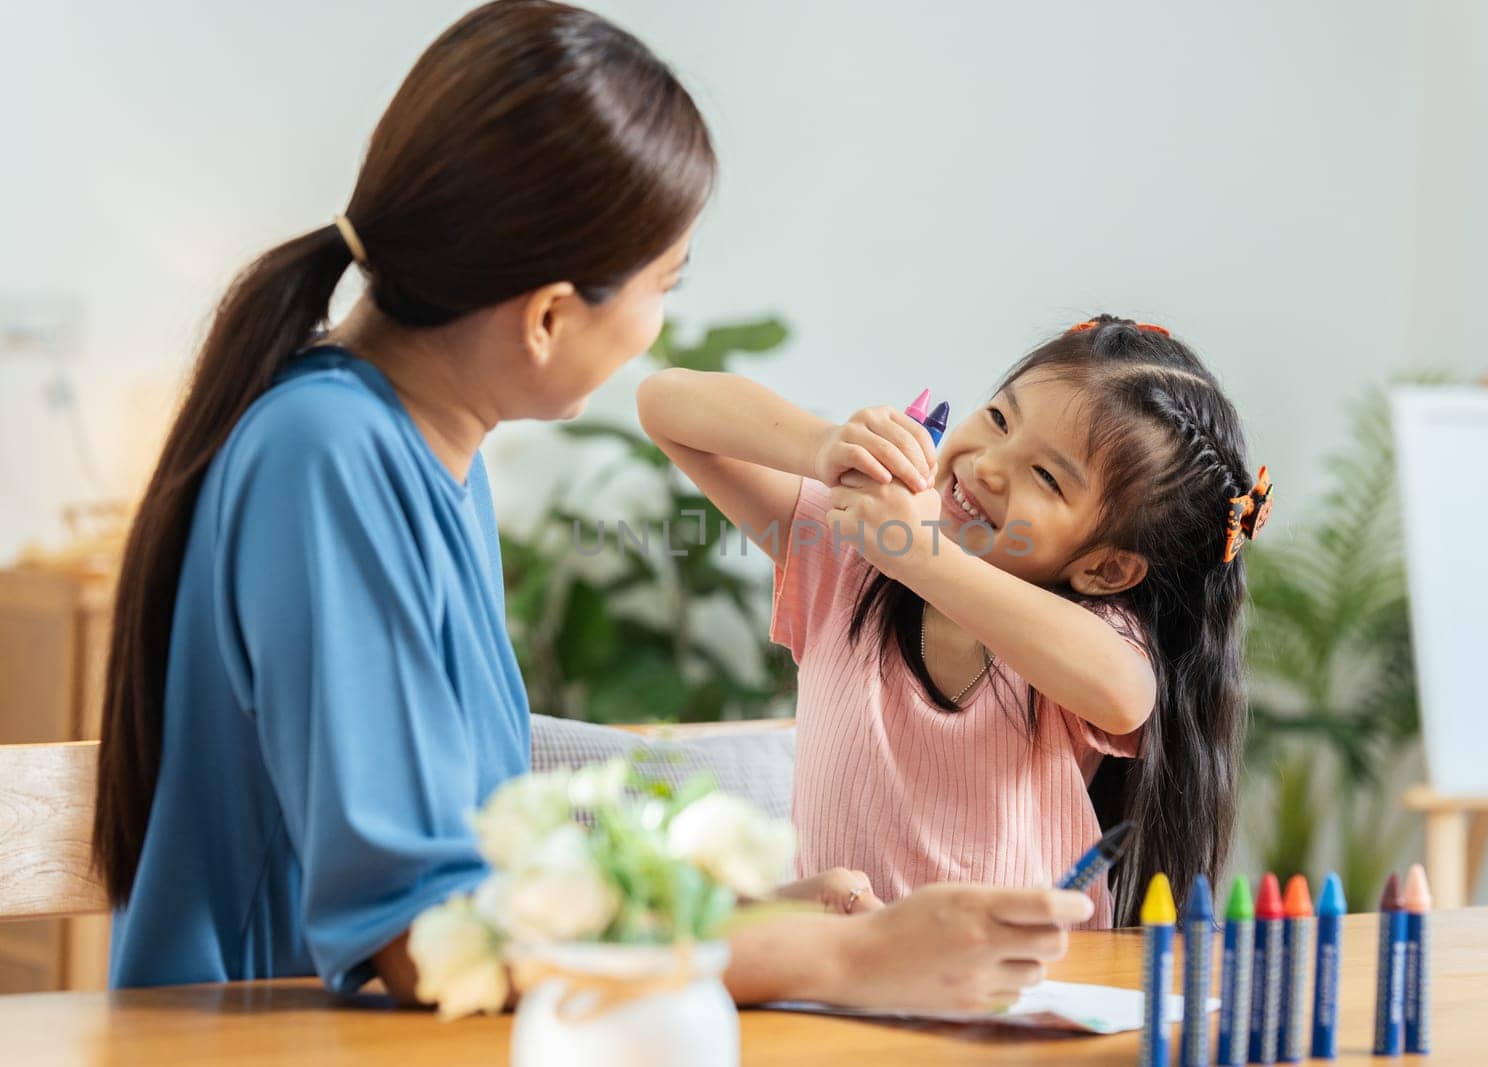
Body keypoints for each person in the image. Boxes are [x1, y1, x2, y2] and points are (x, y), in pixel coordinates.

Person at [93, 0, 1090, 1012]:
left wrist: (741, 926)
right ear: (549, 315)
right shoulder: (330, 456)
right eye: (665, 282)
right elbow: (420, 936)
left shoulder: (428, 453)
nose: (660, 325)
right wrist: (834, 961)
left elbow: (469, 877)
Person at [638, 315, 1269, 926]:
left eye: (1046, 476)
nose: (989, 464)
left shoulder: (1086, 629)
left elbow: (1125, 695)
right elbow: (665, 403)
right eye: (999, 418)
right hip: (838, 978)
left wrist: (919, 555)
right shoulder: (848, 551)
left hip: (1015, 994)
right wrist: (823, 445)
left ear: (1104, 570)